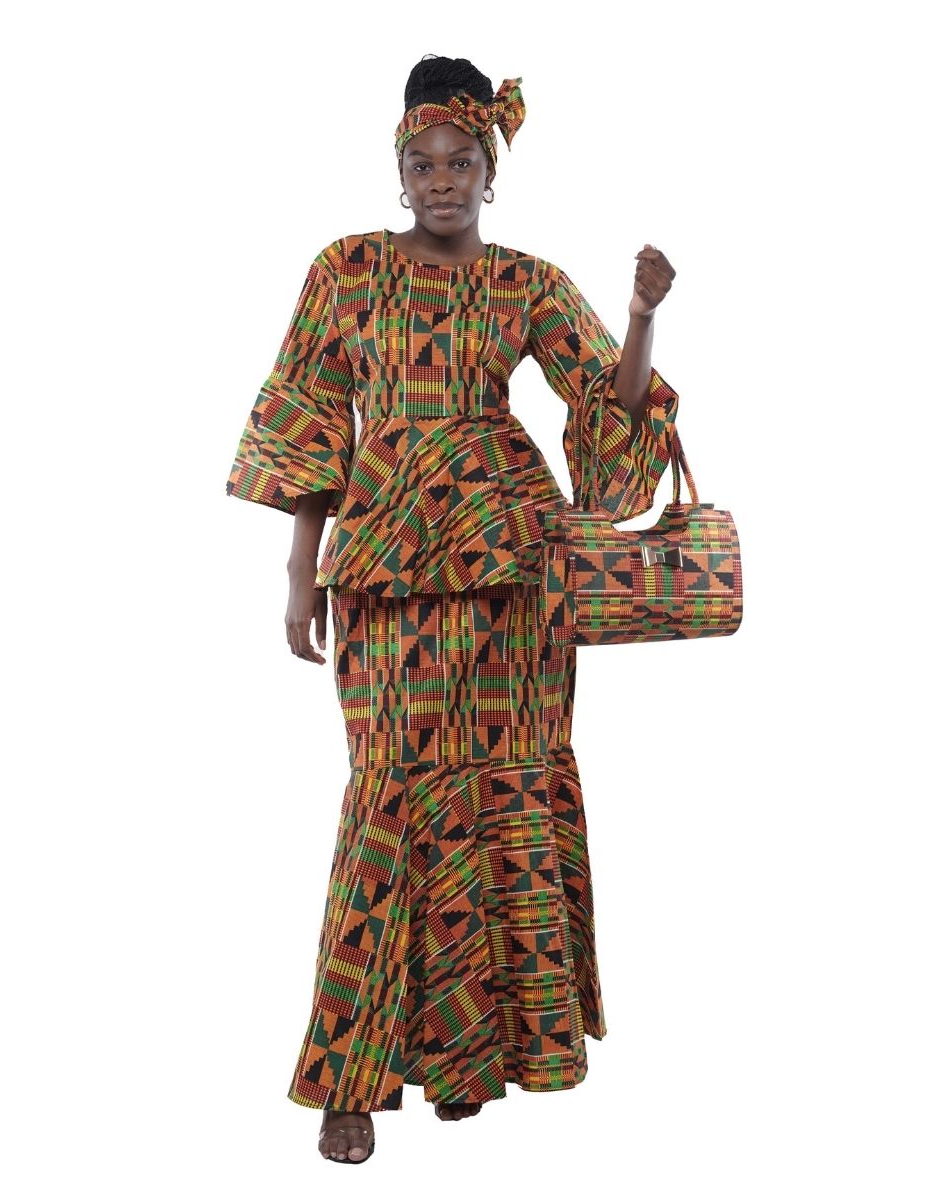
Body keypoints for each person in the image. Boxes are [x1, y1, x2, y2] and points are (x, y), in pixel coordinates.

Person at [225, 54, 678, 1164]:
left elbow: (611, 407)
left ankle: (473, 1057)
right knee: (390, 795)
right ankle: (351, 1078)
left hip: (514, 572)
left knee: (506, 780)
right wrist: (299, 570)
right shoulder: (346, 269)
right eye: (423, 163)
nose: (442, 180)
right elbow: (312, 418)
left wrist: (638, 316)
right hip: (384, 563)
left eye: (461, 162)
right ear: (399, 171)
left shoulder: (526, 282)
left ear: (490, 172)